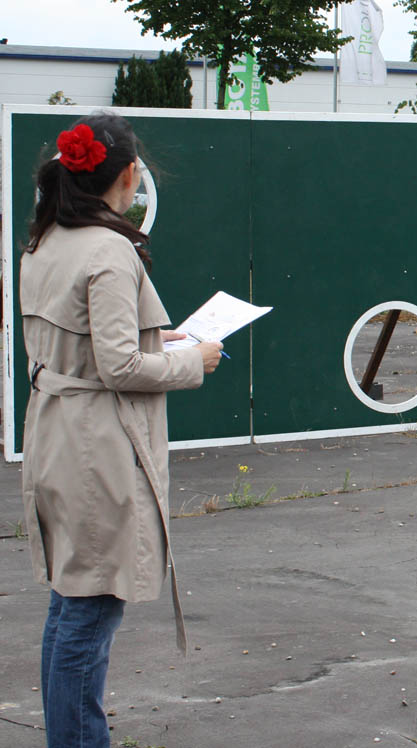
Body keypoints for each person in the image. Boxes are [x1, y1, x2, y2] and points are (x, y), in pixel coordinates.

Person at [20, 113, 224, 748]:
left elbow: (80, 342)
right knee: (89, 610)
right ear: (130, 175)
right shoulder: (108, 248)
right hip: (97, 448)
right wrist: (194, 358)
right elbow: (120, 367)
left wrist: (154, 336)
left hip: (57, 431)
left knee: (70, 603)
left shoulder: (48, 238)